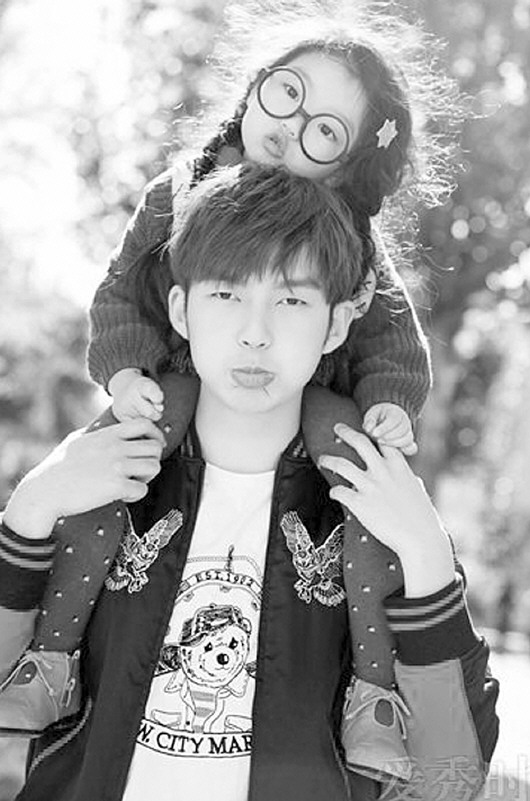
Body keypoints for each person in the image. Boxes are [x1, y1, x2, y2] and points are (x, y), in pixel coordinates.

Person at [0, 165, 498, 801]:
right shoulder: (98, 482)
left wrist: (427, 555)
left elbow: (453, 778)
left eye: (291, 301)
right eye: (226, 294)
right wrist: (30, 508)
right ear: (181, 310)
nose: (255, 334)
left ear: (337, 325)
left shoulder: (375, 515)